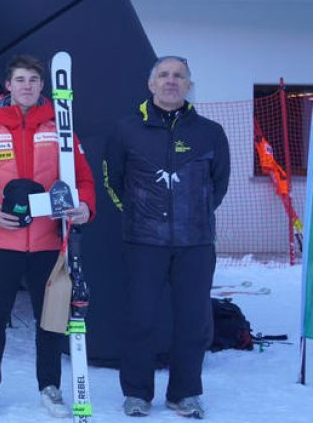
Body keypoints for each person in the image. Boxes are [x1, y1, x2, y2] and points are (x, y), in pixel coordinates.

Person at [0, 54, 95, 417]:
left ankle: (49, 386)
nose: (27, 86)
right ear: (8, 85)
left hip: (48, 242)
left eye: (33, 79)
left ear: (42, 86)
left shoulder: (61, 130)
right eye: (20, 79)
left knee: (50, 318)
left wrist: (86, 208)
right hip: (1, 242)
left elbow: (85, 180)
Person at [104, 56, 229, 419]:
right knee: (140, 320)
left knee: (193, 321)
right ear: (150, 84)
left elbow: (218, 185)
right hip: (144, 242)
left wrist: (196, 216)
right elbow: (114, 181)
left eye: (179, 76)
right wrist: (139, 217)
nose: (171, 81)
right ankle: (137, 394)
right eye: (164, 75)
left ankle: (185, 393)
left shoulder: (210, 132)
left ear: (189, 85)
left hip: (196, 244)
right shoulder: (126, 129)